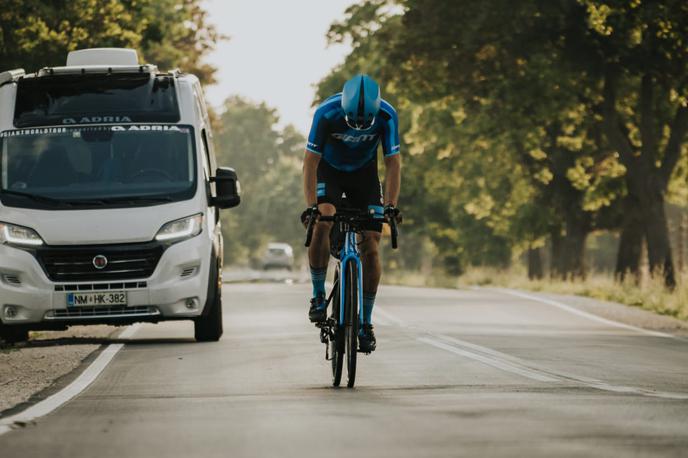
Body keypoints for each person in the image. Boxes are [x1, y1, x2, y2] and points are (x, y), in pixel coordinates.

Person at [301, 74, 401, 353]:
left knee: (371, 242)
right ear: (343, 108)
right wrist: (312, 206)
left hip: (364, 176)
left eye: (364, 123)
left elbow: (393, 164)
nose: (358, 127)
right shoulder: (326, 113)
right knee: (323, 219)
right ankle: (318, 295)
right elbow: (310, 163)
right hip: (329, 172)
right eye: (352, 121)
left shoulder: (387, 114)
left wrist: (391, 205)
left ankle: (366, 323)